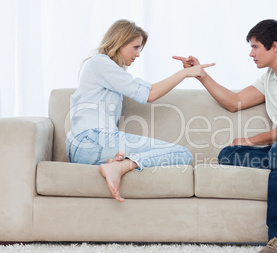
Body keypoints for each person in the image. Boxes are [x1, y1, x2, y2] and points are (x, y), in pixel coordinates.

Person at [173, 19, 277, 253]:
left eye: (255, 47)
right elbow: (233, 102)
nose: (251, 54)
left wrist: (252, 140)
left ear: (274, 46)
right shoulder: (269, 79)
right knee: (228, 154)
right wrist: (201, 75)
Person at [65, 19, 215, 203]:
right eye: (135, 47)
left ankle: (116, 164)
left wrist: (185, 73)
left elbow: (147, 88)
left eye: (139, 49)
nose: (137, 54)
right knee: (182, 154)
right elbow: (149, 94)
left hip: (87, 146)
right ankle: (119, 167)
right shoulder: (100, 63)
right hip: (92, 140)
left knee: (180, 154)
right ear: (120, 42)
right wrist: (185, 74)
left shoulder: (110, 71)